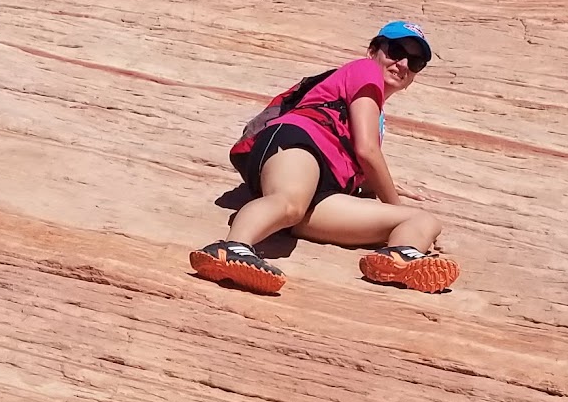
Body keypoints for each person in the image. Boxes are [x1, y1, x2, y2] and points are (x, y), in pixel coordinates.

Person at [189, 22, 458, 295]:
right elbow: (367, 151)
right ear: (372, 51)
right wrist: (391, 199)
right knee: (290, 202)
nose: (402, 64)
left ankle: (400, 257)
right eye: (396, 51)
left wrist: (375, 186)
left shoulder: (377, 117)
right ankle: (231, 248)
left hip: (325, 190)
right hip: (299, 144)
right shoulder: (364, 70)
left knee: (422, 220)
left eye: (415, 62)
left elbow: (356, 161)